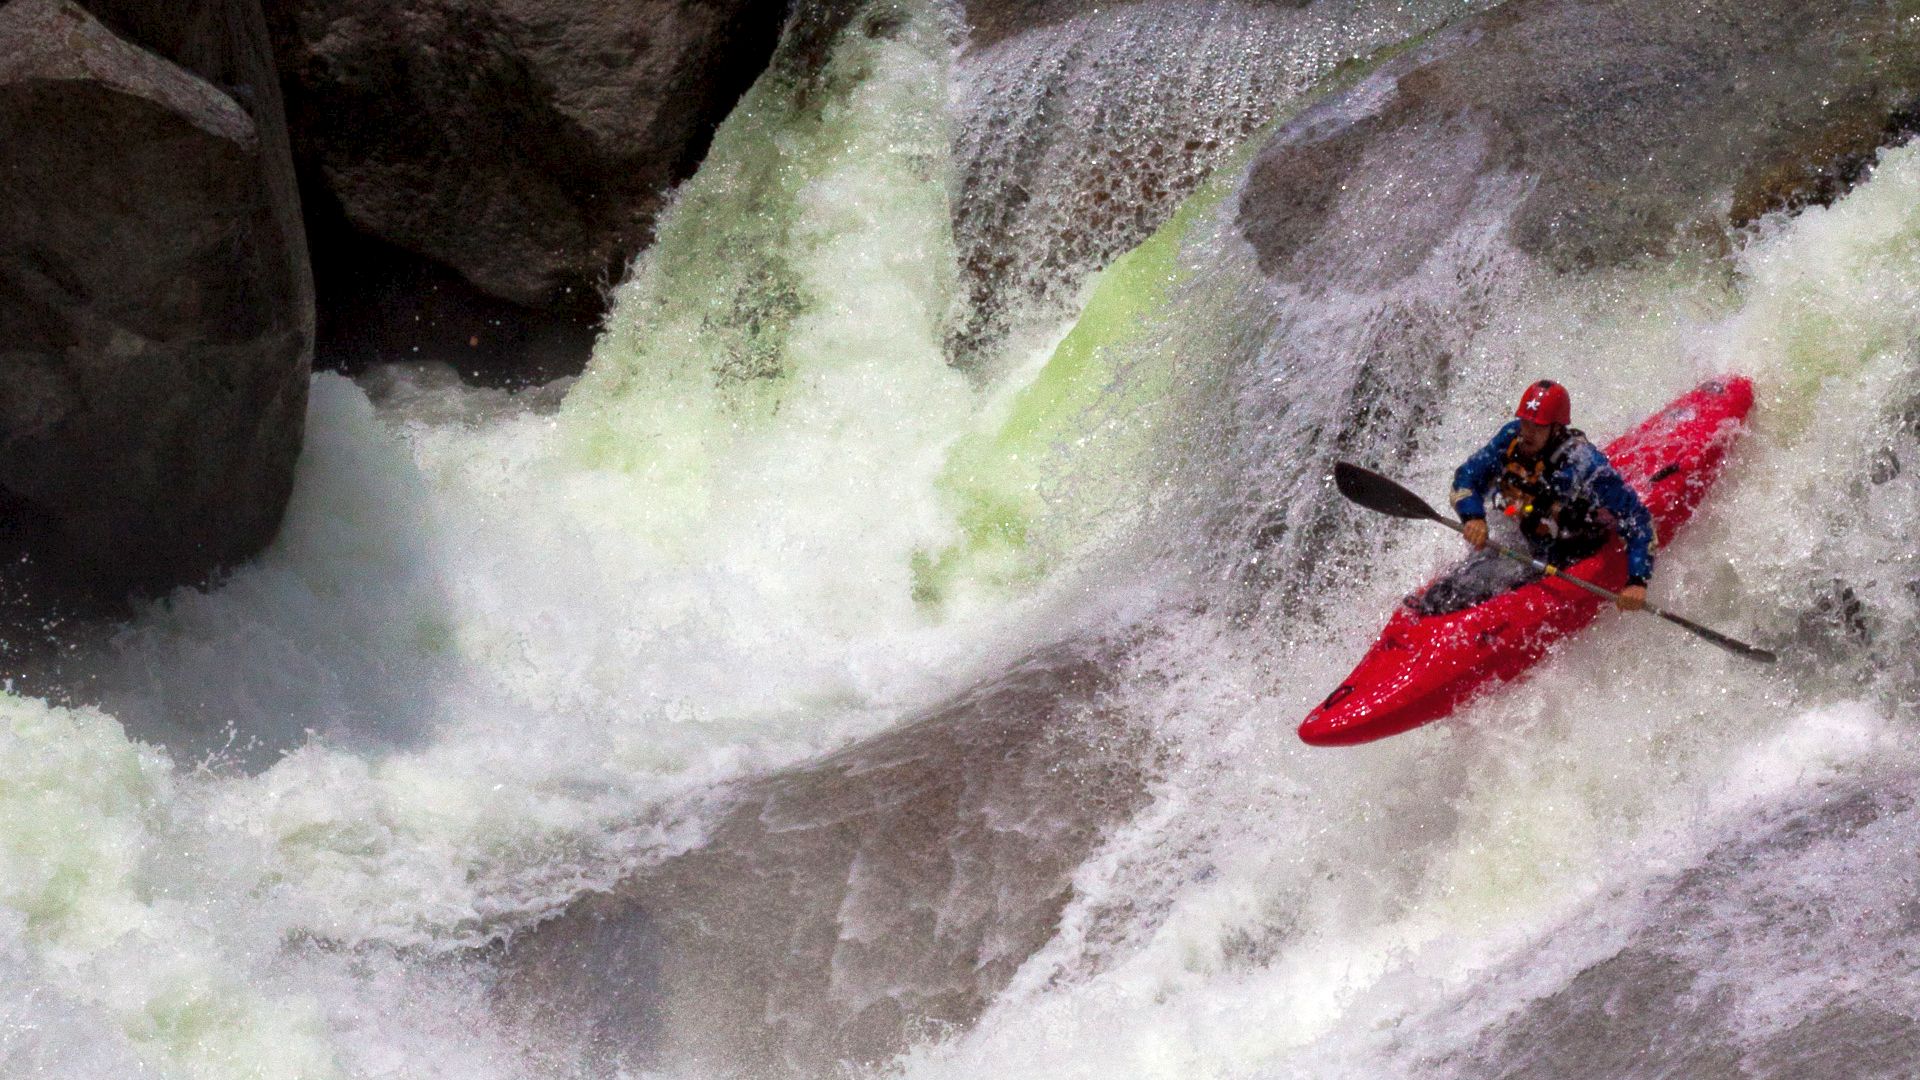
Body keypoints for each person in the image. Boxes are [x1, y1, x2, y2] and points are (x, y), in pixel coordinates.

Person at [1414, 379, 1655, 616]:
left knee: (1480, 588)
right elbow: (1466, 477)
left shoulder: (1583, 462)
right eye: (1525, 422)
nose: (1527, 432)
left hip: (1570, 549)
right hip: (1523, 537)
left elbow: (1636, 518)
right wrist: (1473, 517)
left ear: (1557, 428)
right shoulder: (1510, 437)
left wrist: (1637, 580)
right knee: (1441, 595)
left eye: (1537, 427)